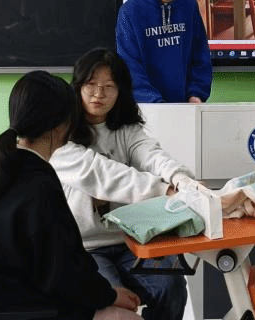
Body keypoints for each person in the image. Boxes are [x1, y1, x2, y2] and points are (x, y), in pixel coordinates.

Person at [0, 71, 141, 320]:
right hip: (14, 311)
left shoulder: (5, 164)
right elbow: (63, 273)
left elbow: (57, 262)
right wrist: (109, 295)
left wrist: (104, 293)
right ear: (61, 126)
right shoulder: (37, 181)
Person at [52, 48, 196, 320]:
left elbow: (152, 155)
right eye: (91, 85)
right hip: (84, 248)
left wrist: (182, 179)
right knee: (113, 304)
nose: (98, 94)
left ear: (120, 92)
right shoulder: (60, 136)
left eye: (109, 86)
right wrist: (165, 190)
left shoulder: (128, 129)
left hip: (131, 240)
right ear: (78, 87)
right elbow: (103, 174)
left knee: (172, 287)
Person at [116, 0, 212, 103]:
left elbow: (200, 54)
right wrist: (155, 103)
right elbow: (129, 65)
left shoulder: (189, 6)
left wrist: (196, 93)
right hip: (146, 106)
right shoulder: (131, 11)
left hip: (186, 104)